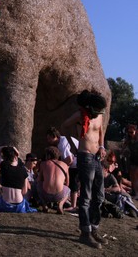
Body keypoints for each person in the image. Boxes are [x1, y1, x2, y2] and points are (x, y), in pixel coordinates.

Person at [61, 89, 108, 249]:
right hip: (85, 156)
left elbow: (101, 132)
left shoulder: (100, 115)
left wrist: (101, 146)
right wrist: (75, 141)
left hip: (97, 157)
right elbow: (64, 125)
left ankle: (94, 228)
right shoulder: (81, 115)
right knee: (86, 196)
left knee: (99, 195)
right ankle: (85, 233)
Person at [0, 146, 37, 213]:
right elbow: (24, 192)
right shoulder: (23, 170)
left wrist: (6, 147)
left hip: (5, 204)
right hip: (19, 205)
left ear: (5, 157)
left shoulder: (4, 166)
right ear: (15, 157)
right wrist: (13, 148)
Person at [46, 126, 79, 211]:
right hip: (75, 163)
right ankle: (70, 203)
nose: (48, 141)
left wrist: (62, 169)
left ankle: (73, 205)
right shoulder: (61, 141)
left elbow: (69, 159)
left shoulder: (62, 142)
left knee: (73, 183)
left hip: (77, 163)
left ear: (55, 136)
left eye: (49, 138)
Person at [37, 146, 70, 214]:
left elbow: (39, 180)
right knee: (68, 190)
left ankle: (44, 204)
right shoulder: (65, 165)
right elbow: (67, 183)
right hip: (59, 195)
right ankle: (61, 204)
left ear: (48, 155)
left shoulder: (43, 164)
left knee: (37, 185)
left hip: (45, 194)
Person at [121, 124, 138, 199]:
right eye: (129, 132)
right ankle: (134, 191)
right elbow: (124, 147)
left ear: (135, 131)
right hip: (133, 158)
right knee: (132, 176)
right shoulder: (128, 139)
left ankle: (137, 193)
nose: (130, 134)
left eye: (132, 132)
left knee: (136, 176)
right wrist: (122, 153)